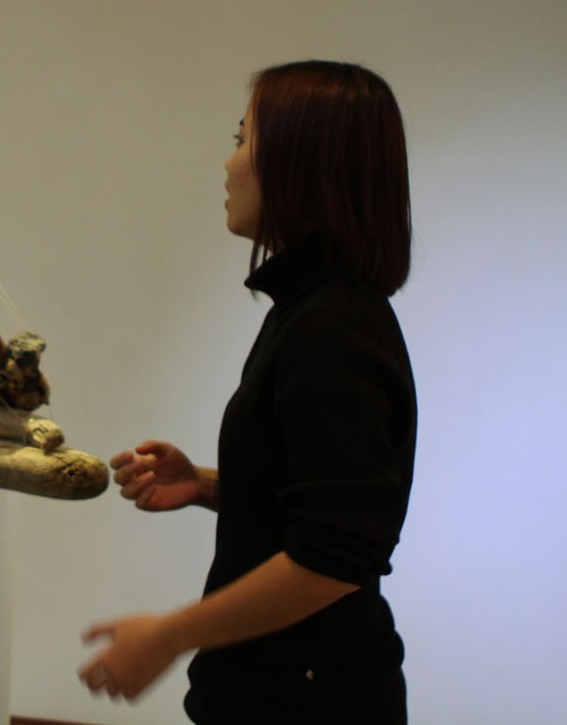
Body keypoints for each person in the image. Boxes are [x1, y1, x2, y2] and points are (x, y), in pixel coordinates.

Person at [79, 60, 416, 724]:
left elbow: (333, 559)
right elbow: (317, 502)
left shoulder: (333, 327)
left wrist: (168, 635)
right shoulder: (313, 310)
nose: (229, 163)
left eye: (242, 139)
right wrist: (206, 485)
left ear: (300, 163)